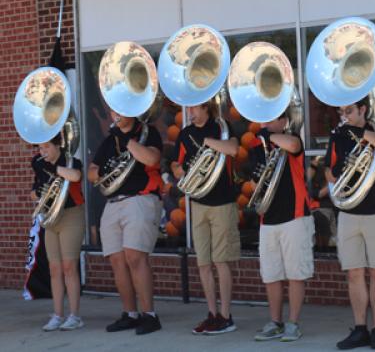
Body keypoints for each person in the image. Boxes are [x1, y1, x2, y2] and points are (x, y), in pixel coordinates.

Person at [325, 98, 375, 350]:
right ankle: (359, 329)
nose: (343, 116)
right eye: (340, 111)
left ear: (362, 110)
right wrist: (339, 174)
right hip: (349, 211)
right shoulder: (338, 135)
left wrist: (362, 133)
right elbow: (328, 171)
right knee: (354, 273)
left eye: (348, 111)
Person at [88, 110, 163, 335]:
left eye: (120, 110)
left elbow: (151, 159)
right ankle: (130, 313)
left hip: (140, 198)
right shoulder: (110, 139)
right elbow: (92, 171)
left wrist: (127, 142)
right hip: (113, 202)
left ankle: (149, 315)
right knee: (117, 260)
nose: (116, 114)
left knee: (135, 256)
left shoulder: (147, 132)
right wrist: (103, 171)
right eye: (112, 110)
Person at [171, 101, 240, 335]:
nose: (189, 112)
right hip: (198, 203)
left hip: (222, 202)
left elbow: (232, 149)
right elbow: (174, 163)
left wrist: (208, 143)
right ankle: (212, 313)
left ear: (206, 108)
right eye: (188, 108)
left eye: (194, 108)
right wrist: (177, 170)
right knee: (203, 263)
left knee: (221, 261)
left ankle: (226, 315)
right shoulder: (185, 133)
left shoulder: (221, 127)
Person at [249, 113, 314, 343]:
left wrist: (270, 135)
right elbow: (254, 182)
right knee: (272, 274)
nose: (264, 123)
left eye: (271, 118)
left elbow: (293, 145)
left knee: (296, 273)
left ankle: (293, 323)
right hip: (268, 219)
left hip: (295, 215)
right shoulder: (257, 146)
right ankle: (275, 322)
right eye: (263, 119)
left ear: (283, 120)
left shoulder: (291, 138)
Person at [31, 134, 85, 331]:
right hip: (50, 217)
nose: (42, 152)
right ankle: (58, 315)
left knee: (69, 266)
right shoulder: (38, 164)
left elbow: (76, 176)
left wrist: (54, 169)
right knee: (54, 269)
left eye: (46, 147)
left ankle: (75, 316)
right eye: (39, 148)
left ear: (57, 146)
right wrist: (39, 193)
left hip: (71, 215)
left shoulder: (71, 161)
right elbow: (34, 191)